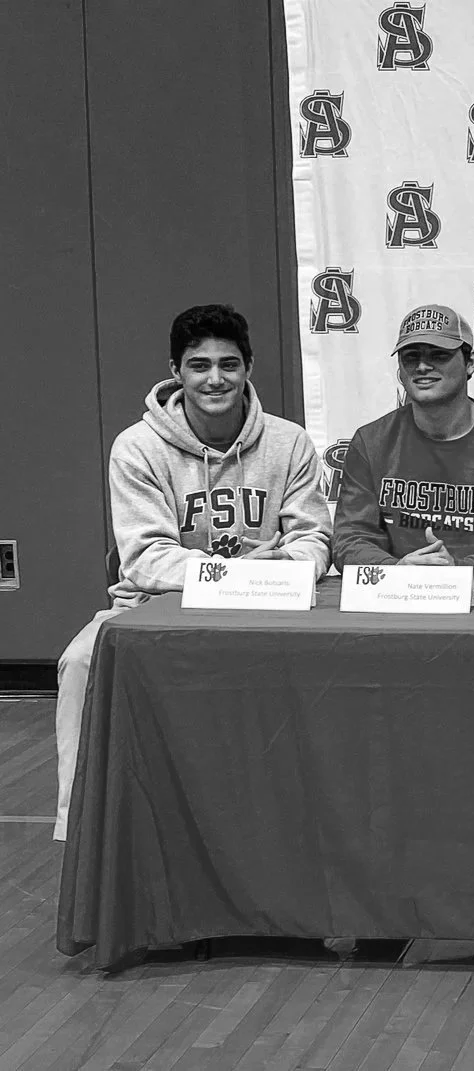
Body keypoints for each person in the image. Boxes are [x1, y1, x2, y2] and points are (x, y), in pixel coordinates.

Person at [53, 304, 332, 839]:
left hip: (272, 603)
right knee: (80, 662)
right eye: (199, 365)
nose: (215, 378)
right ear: (176, 371)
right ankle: (80, 826)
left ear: (248, 368)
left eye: (229, 364)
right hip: (154, 605)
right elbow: (145, 556)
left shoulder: (288, 441)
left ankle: (305, 830)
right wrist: (231, 574)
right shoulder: (138, 447)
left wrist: (278, 568)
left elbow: (314, 537)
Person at [333, 304, 474, 586]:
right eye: (411, 357)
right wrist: (394, 570)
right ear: (399, 370)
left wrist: (462, 572)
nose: (422, 366)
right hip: (396, 594)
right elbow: (349, 537)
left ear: (470, 362)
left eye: (439, 355)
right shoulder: (370, 441)